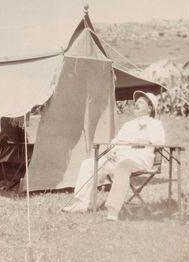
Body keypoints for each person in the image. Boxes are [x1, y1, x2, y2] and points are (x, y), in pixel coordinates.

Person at [62, 91, 166, 221]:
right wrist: (112, 152)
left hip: (140, 158)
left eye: (141, 102)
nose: (136, 104)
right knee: (88, 164)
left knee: (123, 166)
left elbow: (160, 142)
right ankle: (80, 204)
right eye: (137, 102)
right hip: (119, 159)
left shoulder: (155, 124)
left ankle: (113, 210)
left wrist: (141, 141)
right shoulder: (128, 125)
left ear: (150, 108)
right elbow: (115, 142)